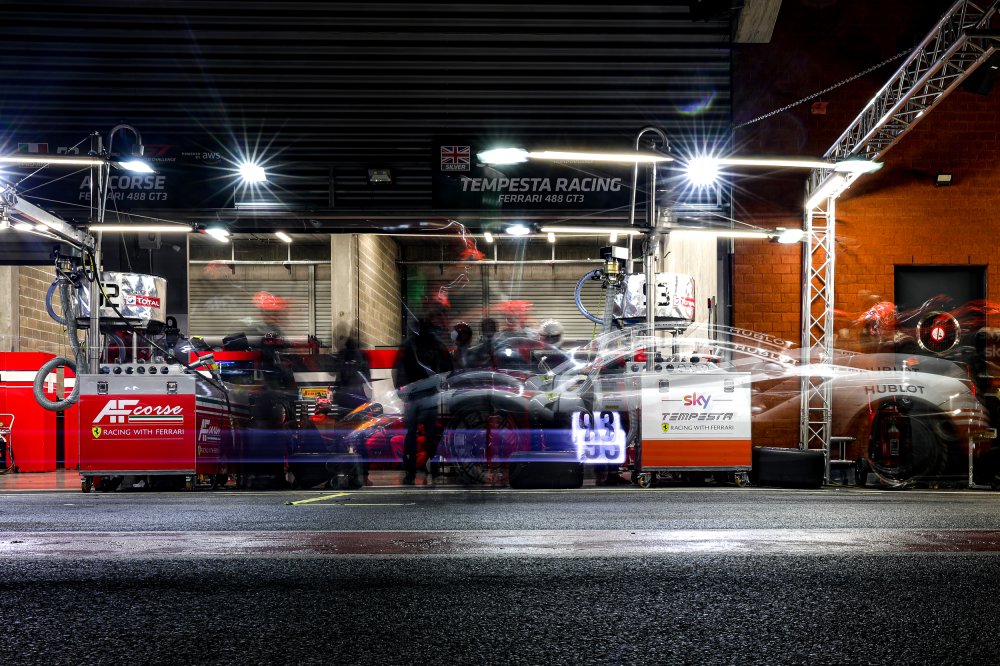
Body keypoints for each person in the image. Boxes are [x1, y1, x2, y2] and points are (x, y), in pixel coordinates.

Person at [393, 317, 454, 485]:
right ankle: (432, 469)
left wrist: (401, 391)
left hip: (413, 396)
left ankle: (410, 473)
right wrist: (443, 387)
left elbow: (399, 368)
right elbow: (448, 367)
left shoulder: (409, 344)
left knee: (411, 435)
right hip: (430, 396)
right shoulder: (435, 344)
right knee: (430, 435)